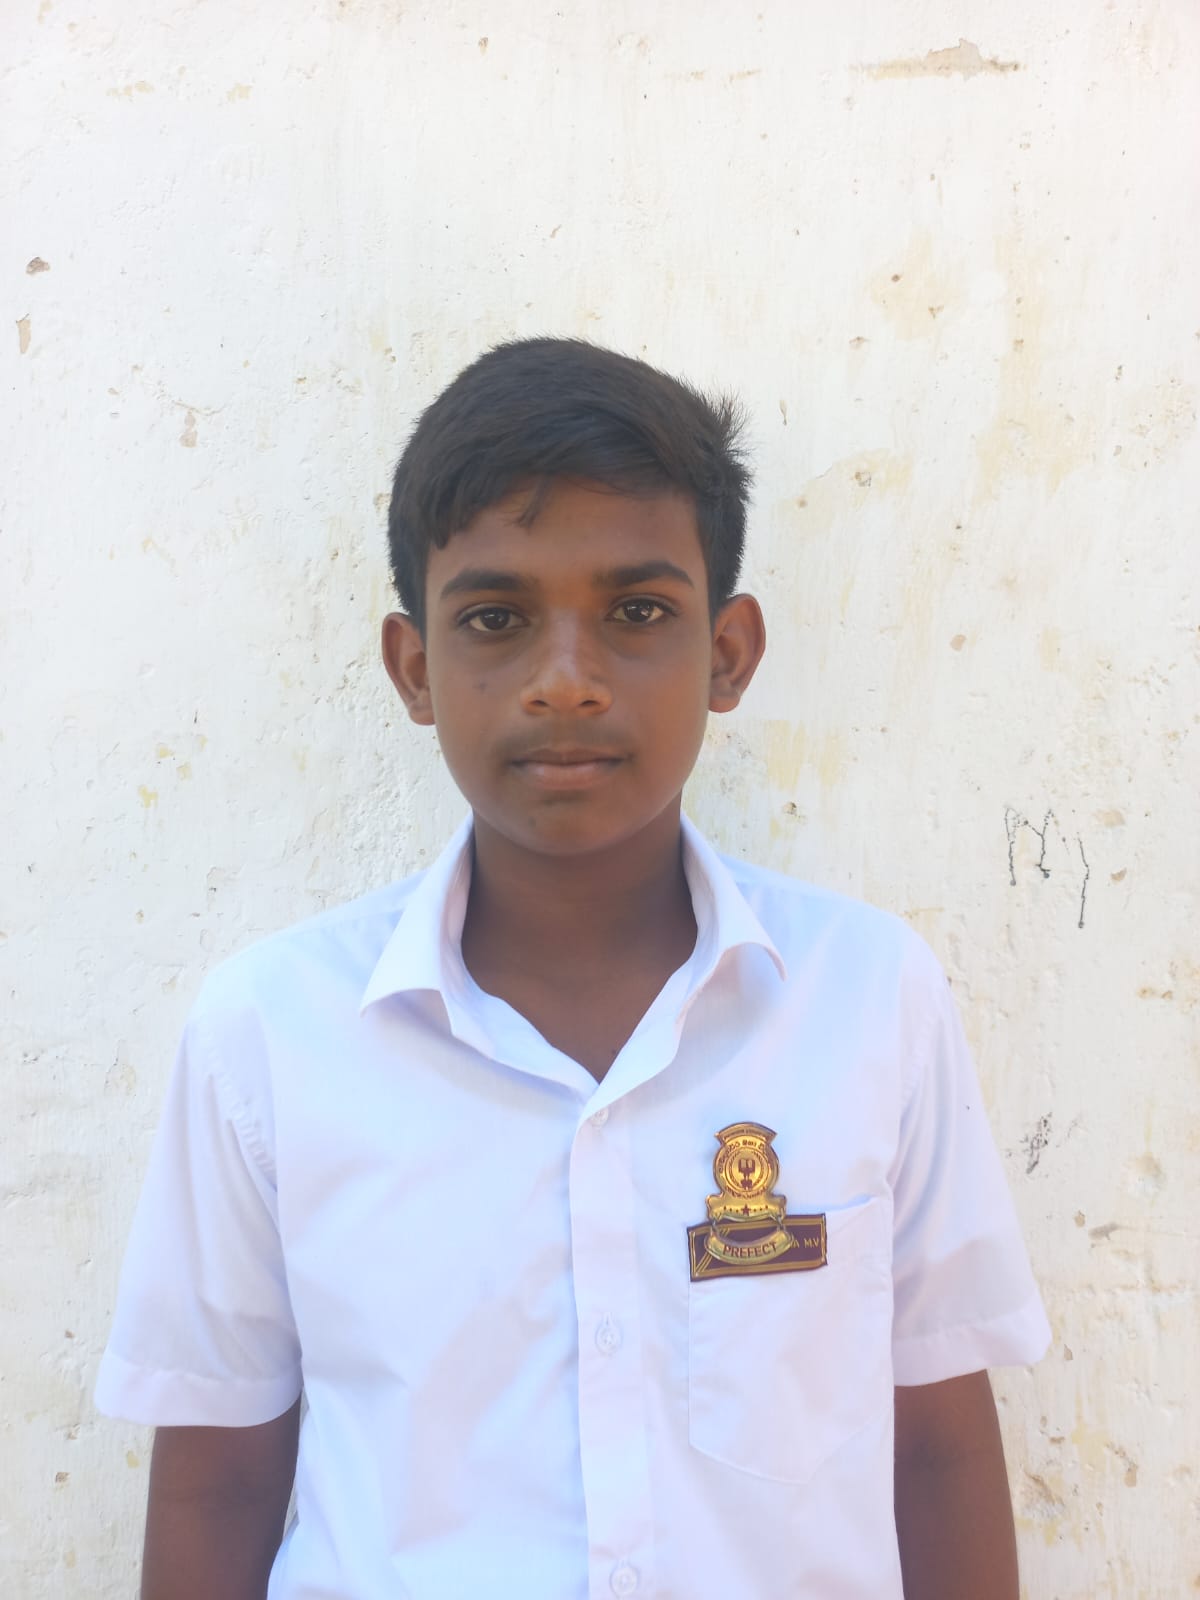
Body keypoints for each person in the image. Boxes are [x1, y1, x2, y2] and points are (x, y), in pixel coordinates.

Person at [96, 337, 1050, 1600]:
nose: (566, 682)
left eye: (637, 612)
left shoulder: (867, 998)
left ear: (728, 651)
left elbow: (933, 1448)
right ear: (415, 668)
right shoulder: (272, 1033)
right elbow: (218, 1483)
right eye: (495, 618)